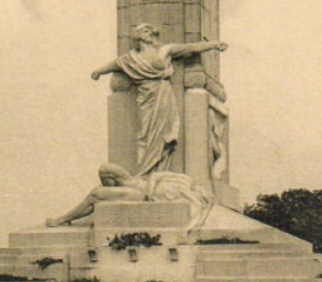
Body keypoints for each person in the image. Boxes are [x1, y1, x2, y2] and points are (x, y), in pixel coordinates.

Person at [91, 24, 228, 176]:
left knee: (164, 133)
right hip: (145, 97)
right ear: (139, 36)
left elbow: (191, 47)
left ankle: (159, 170)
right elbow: (114, 64)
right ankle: (145, 172)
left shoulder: (165, 50)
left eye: (150, 31)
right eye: (146, 31)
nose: (151, 34)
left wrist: (213, 44)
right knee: (145, 133)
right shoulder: (130, 58)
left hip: (163, 94)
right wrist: (98, 72)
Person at [46, 162, 211, 232]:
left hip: (140, 196)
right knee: (97, 193)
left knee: (96, 194)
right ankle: (64, 219)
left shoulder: (154, 181)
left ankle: (62, 219)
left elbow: (156, 187)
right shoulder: (149, 178)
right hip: (141, 190)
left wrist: (152, 187)